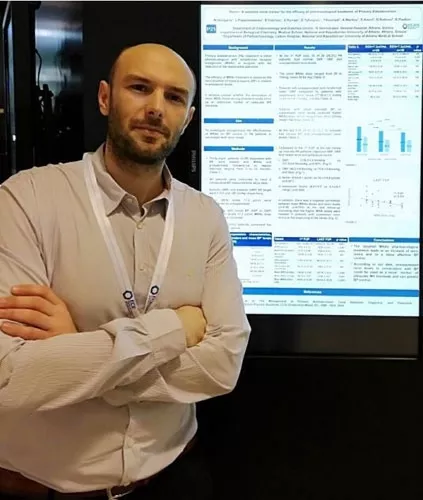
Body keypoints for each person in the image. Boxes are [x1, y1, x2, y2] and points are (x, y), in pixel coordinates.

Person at [0, 43, 251, 500]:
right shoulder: (25, 200)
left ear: (188, 118)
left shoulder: (206, 217)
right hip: (49, 490)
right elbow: (10, 379)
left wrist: (79, 350)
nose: (156, 108)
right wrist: (174, 329)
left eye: (174, 97)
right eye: (139, 88)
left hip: (173, 477)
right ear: (104, 98)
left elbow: (223, 364)